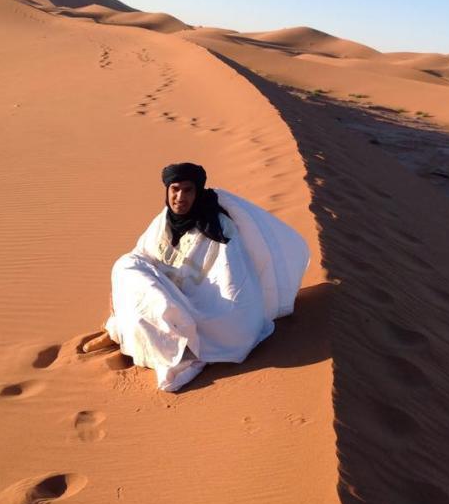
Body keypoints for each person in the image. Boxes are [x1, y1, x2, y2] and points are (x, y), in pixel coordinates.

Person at [83, 162, 309, 392]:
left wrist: (193, 300)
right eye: (175, 189)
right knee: (126, 265)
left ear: (198, 192)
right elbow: (142, 256)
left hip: (205, 308)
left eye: (188, 190)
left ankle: (174, 344)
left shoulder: (219, 228)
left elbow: (233, 282)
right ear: (167, 191)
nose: (180, 197)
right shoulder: (163, 220)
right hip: (167, 293)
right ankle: (119, 329)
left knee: (157, 299)